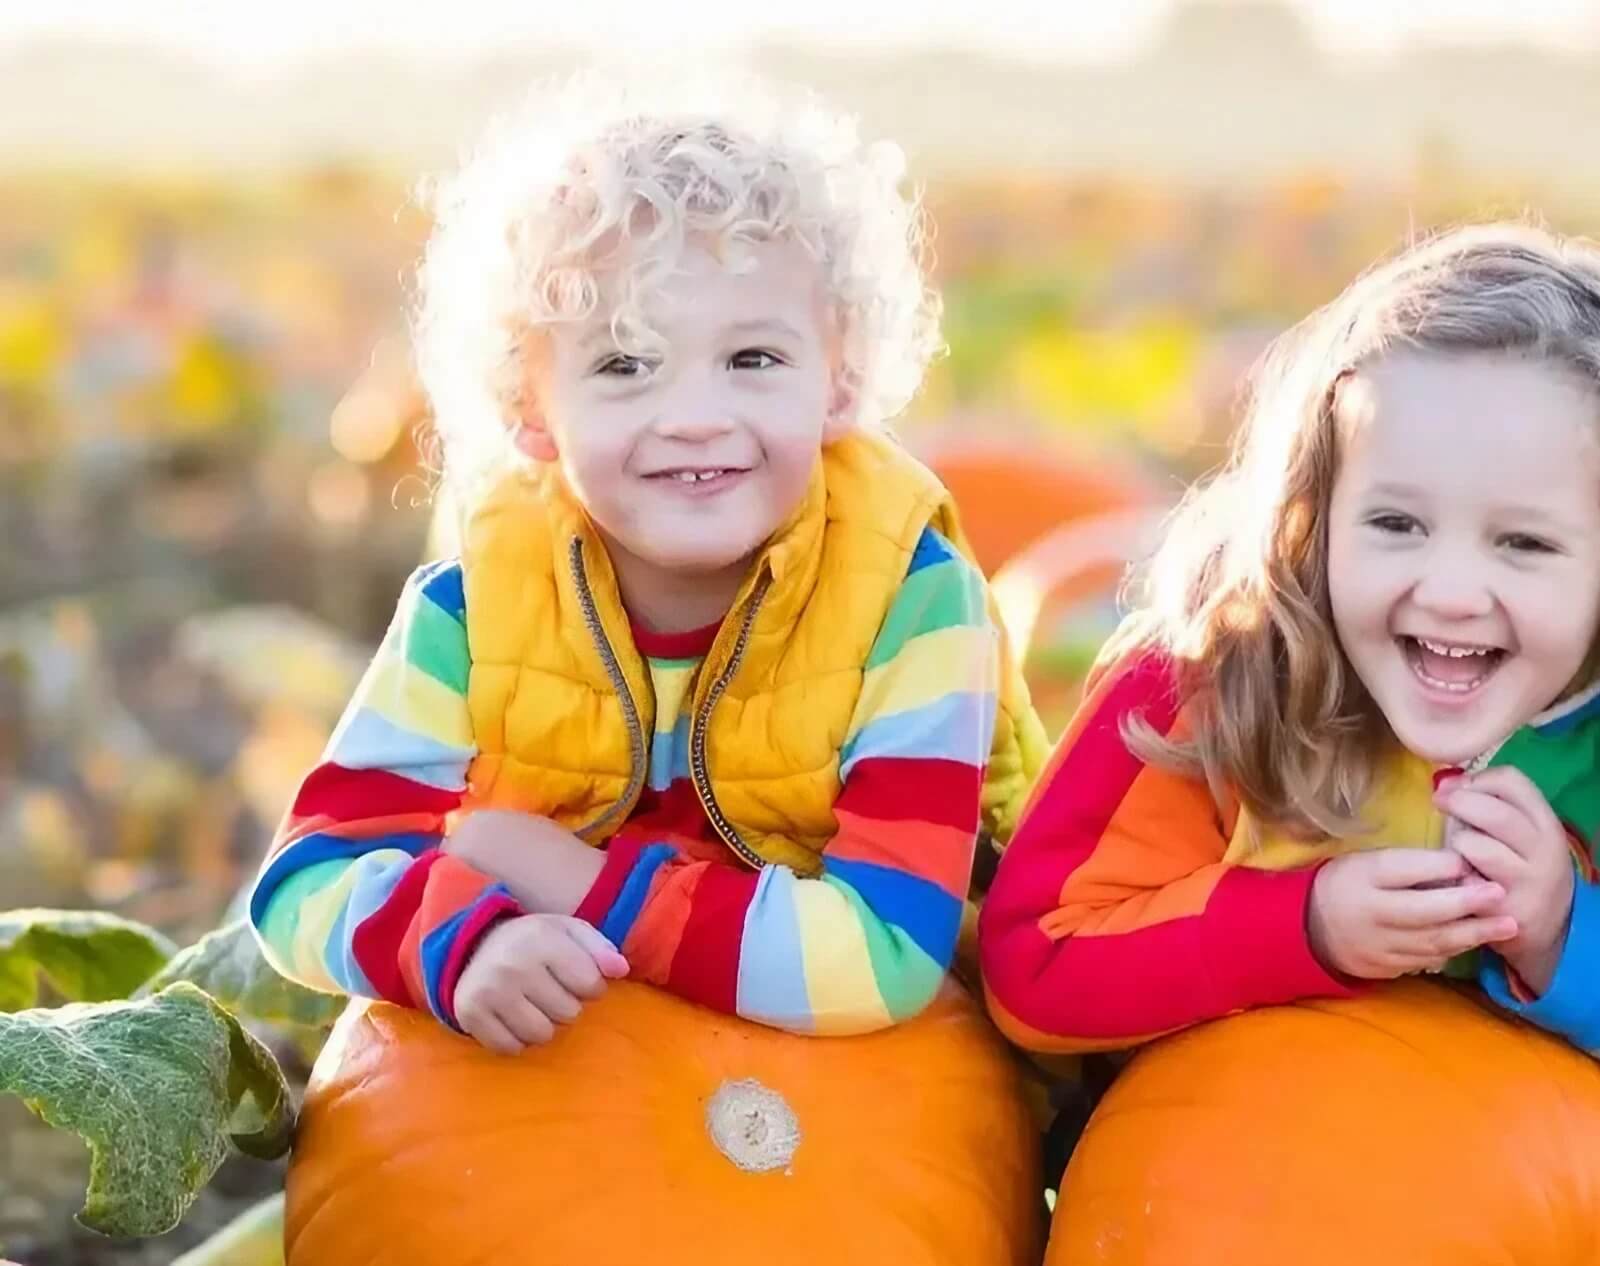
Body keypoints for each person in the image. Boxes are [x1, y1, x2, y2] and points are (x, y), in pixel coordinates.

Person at [979, 223, 1600, 1150]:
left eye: (1522, 543)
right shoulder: (1210, 692)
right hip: (1223, 1199)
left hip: (1527, 1216)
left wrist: (1567, 933)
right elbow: (1033, 963)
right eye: (1396, 523)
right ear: (1313, 514)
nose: (1447, 592)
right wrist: (1304, 928)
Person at [249, 75, 1046, 1052]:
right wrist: (463, 940)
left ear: (838, 380)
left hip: (852, 1118)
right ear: (530, 411)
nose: (695, 415)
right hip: (548, 1103)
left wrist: (575, 881)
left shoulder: (912, 604)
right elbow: (303, 879)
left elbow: (879, 956)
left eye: (751, 358)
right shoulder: (475, 609)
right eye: (624, 364)